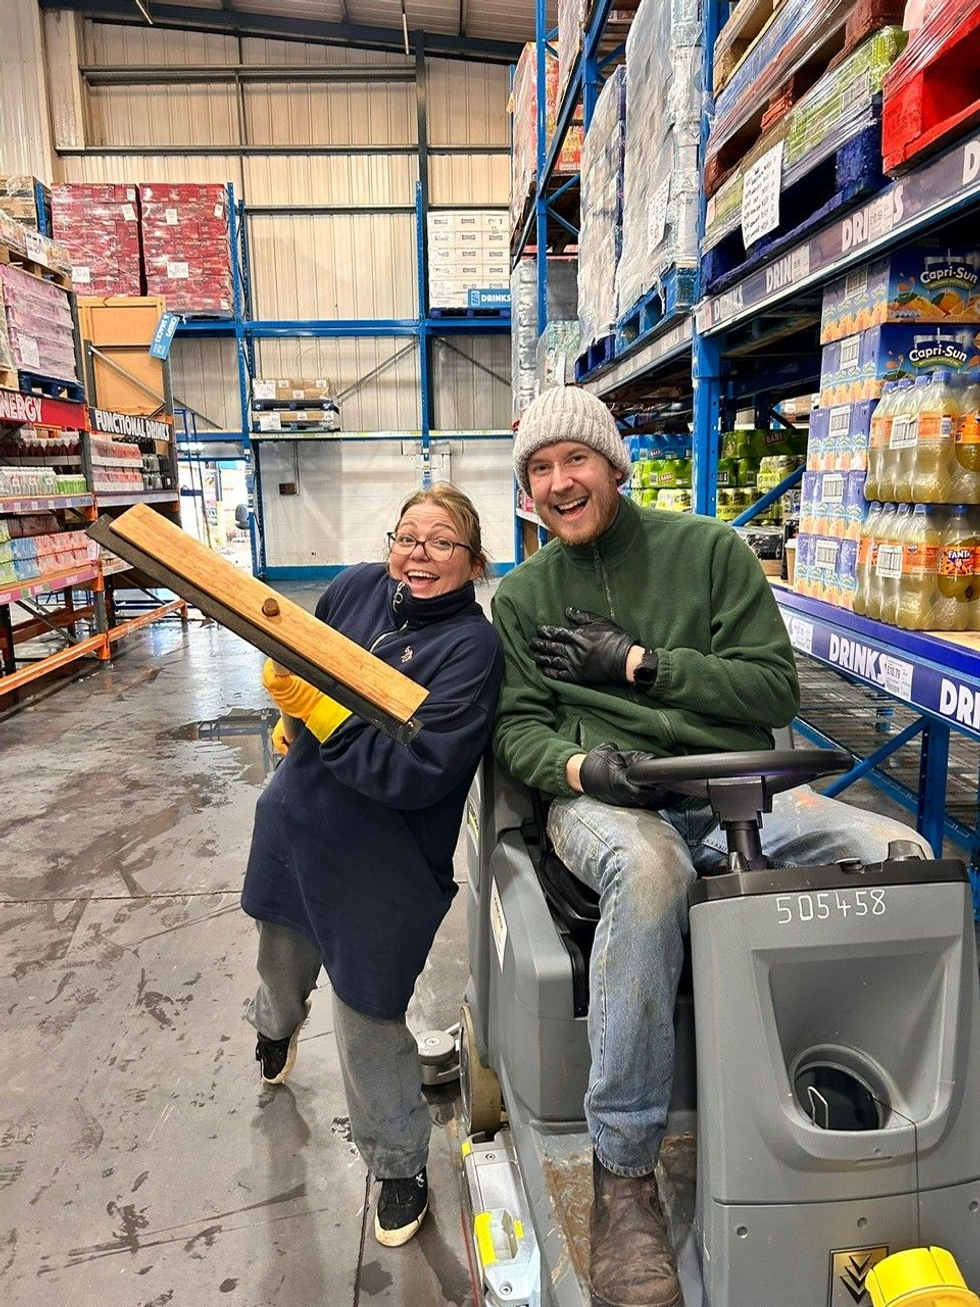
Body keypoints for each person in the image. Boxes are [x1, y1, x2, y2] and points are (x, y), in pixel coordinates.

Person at [490, 386, 932, 1307]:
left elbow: (771, 693)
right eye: (539, 469)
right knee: (654, 875)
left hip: (739, 784)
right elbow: (520, 731)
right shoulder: (525, 599)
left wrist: (639, 664)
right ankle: (623, 1174)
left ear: (612, 465)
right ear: (528, 492)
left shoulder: (711, 552)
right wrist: (583, 770)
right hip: (609, 799)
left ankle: (888, 1104)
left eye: (575, 459)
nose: (560, 481)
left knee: (899, 848)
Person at [241, 483, 503, 1249]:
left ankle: (395, 1162)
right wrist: (291, 714)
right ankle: (274, 1024)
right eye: (408, 535)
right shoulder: (357, 585)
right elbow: (301, 657)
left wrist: (325, 714)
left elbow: (418, 769)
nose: (418, 554)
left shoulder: (471, 650)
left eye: (441, 541)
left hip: (384, 857)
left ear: (475, 562)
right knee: (280, 947)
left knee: (368, 1009)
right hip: (300, 818)